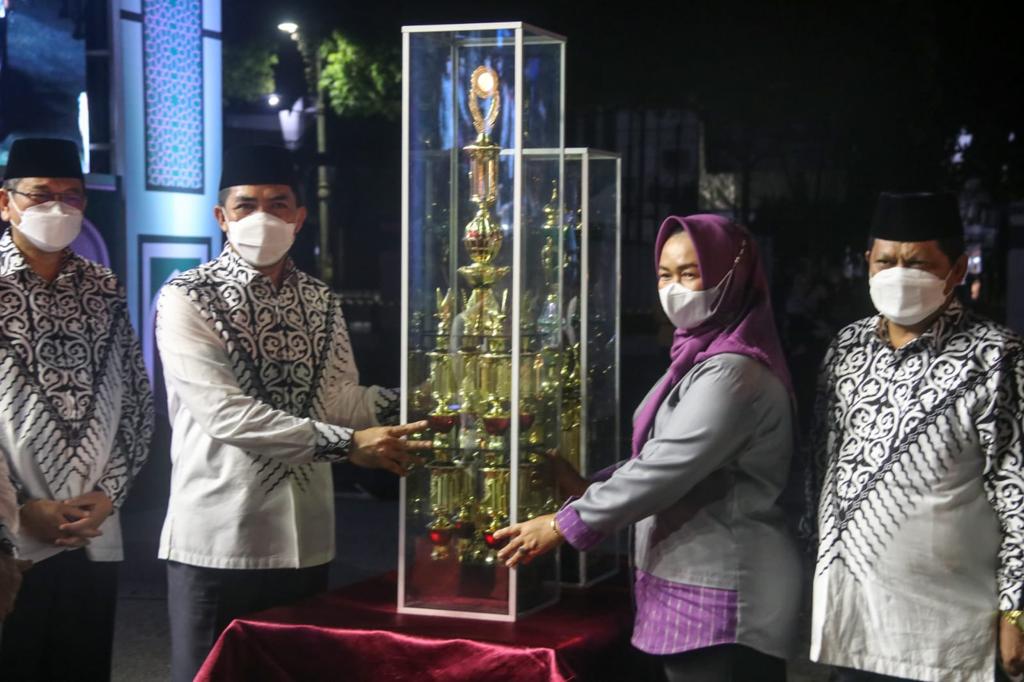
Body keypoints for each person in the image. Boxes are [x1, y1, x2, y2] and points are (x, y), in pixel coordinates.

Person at [155, 144, 429, 682]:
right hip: (220, 538)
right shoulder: (188, 297)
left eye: (277, 203)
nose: (262, 216)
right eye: (246, 205)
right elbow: (226, 415)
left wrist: (427, 398)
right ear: (221, 217)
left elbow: (339, 400)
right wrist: (350, 445)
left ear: (299, 217)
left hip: (306, 538)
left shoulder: (319, 299)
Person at [496, 214, 801, 682]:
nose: (674, 289)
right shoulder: (699, 360)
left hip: (726, 589)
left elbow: (665, 468)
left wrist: (564, 524)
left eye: (690, 273)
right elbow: (658, 455)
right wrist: (588, 486)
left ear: (731, 274)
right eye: (664, 275)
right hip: (692, 583)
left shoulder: (733, 374)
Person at [805, 192, 1024, 682]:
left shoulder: (996, 356)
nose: (898, 274)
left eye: (918, 263)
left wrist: (1016, 612)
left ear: (958, 268)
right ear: (867, 262)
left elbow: (1018, 495)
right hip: (855, 624)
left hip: (948, 636)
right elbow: (821, 467)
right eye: (886, 262)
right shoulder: (847, 348)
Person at [0, 137, 154, 678]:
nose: (58, 208)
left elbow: (136, 403)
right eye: (41, 195)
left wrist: (109, 494)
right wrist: (21, 509)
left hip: (92, 533)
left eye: (71, 196)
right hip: (9, 542)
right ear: (5, 202)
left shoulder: (103, 287)